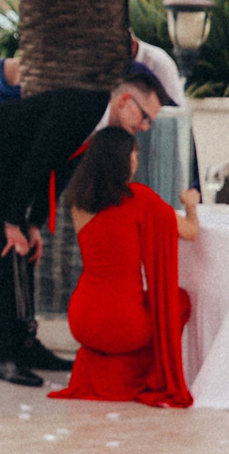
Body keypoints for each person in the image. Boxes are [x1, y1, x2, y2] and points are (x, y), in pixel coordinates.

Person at [0, 67, 165, 386]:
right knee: (4, 251)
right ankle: (5, 357)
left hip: (9, 167)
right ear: (125, 100)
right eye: (144, 117)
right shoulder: (82, 109)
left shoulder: (98, 124)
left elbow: (57, 171)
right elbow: (37, 162)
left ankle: (26, 345)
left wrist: (34, 224)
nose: (144, 127)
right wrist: (13, 221)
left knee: (25, 251)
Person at [51, 127, 197, 408]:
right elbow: (190, 232)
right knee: (178, 301)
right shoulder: (140, 199)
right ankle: (144, 376)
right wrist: (191, 206)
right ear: (125, 159)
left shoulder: (79, 202)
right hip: (123, 325)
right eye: (134, 154)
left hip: (82, 319)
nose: (136, 160)